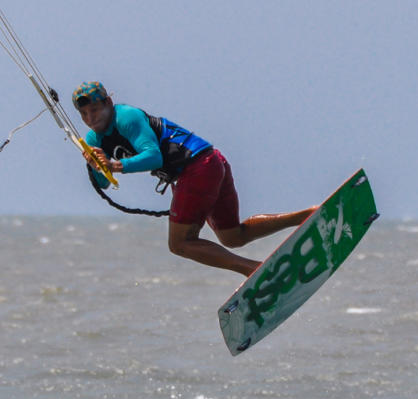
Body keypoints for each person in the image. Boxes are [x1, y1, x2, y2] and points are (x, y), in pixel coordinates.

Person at [72, 81, 316, 276]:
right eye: (84, 114)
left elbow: (154, 157)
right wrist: (94, 164)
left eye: (94, 110)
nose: (91, 118)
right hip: (211, 162)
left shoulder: (126, 117)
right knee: (233, 236)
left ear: (108, 103)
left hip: (197, 167)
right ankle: (307, 215)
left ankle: (254, 270)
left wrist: (116, 165)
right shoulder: (94, 140)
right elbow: (103, 182)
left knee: (180, 244)